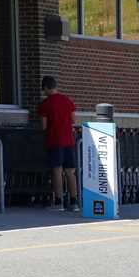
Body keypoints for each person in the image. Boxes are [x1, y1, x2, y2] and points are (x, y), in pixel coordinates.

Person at [37, 75, 79, 212]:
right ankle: (74, 202)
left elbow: (43, 126)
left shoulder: (45, 104)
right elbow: (73, 120)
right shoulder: (68, 101)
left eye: (44, 90)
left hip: (54, 140)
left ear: (46, 88)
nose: (44, 92)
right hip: (69, 141)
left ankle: (58, 201)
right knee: (70, 172)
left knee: (57, 171)